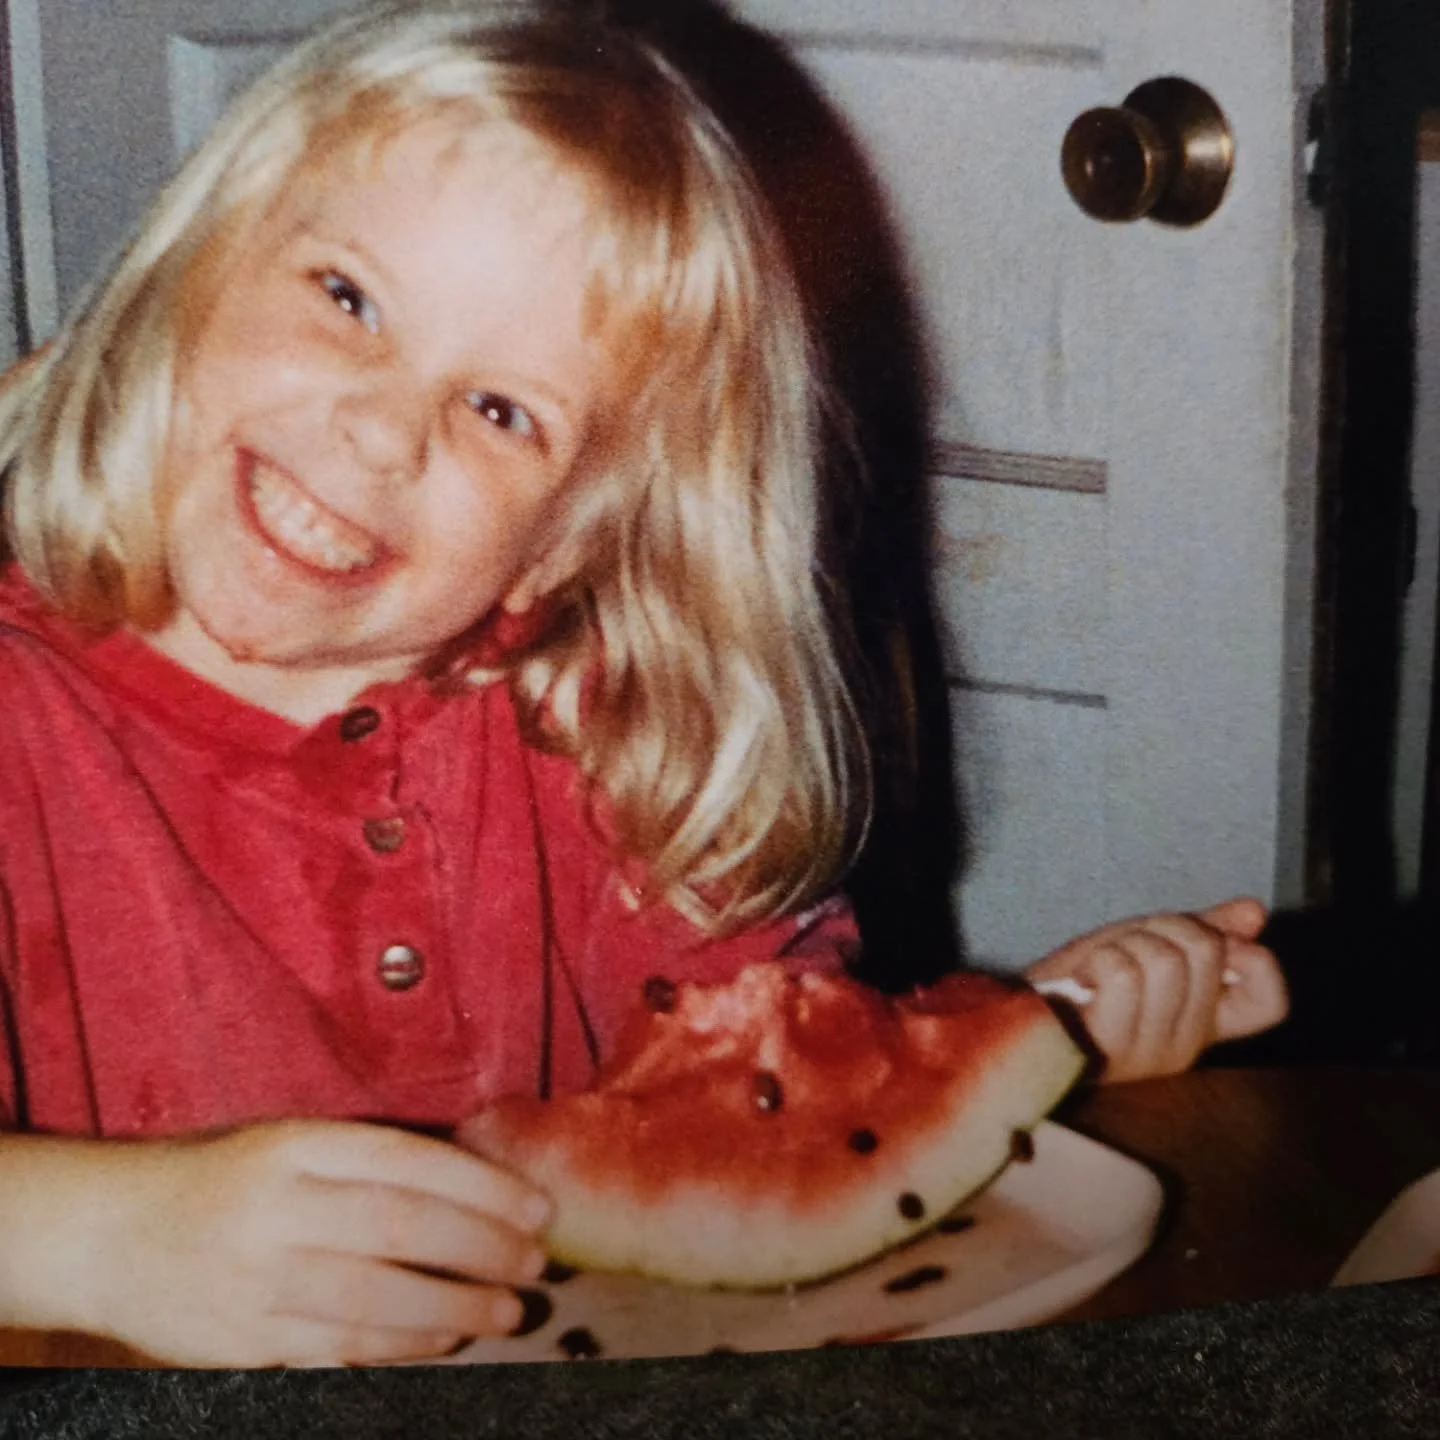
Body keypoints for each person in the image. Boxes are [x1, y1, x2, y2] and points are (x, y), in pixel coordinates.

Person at [0, 0, 1286, 1367]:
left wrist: (1051, 1036)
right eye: (347, 299)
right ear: (192, 266)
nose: (381, 431)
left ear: (565, 543)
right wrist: (99, 1237)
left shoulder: (604, 736)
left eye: (503, 412)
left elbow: (790, 1077)